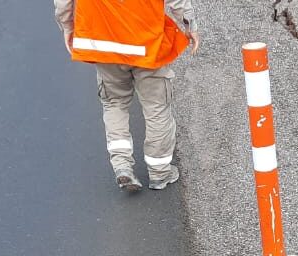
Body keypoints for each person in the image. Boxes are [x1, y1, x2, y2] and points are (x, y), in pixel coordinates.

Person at [54, 0, 200, 192]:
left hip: (102, 40)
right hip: (145, 40)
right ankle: (160, 172)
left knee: (114, 102)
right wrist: (189, 24)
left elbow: (64, 2)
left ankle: (122, 165)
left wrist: (67, 25)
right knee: (156, 105)